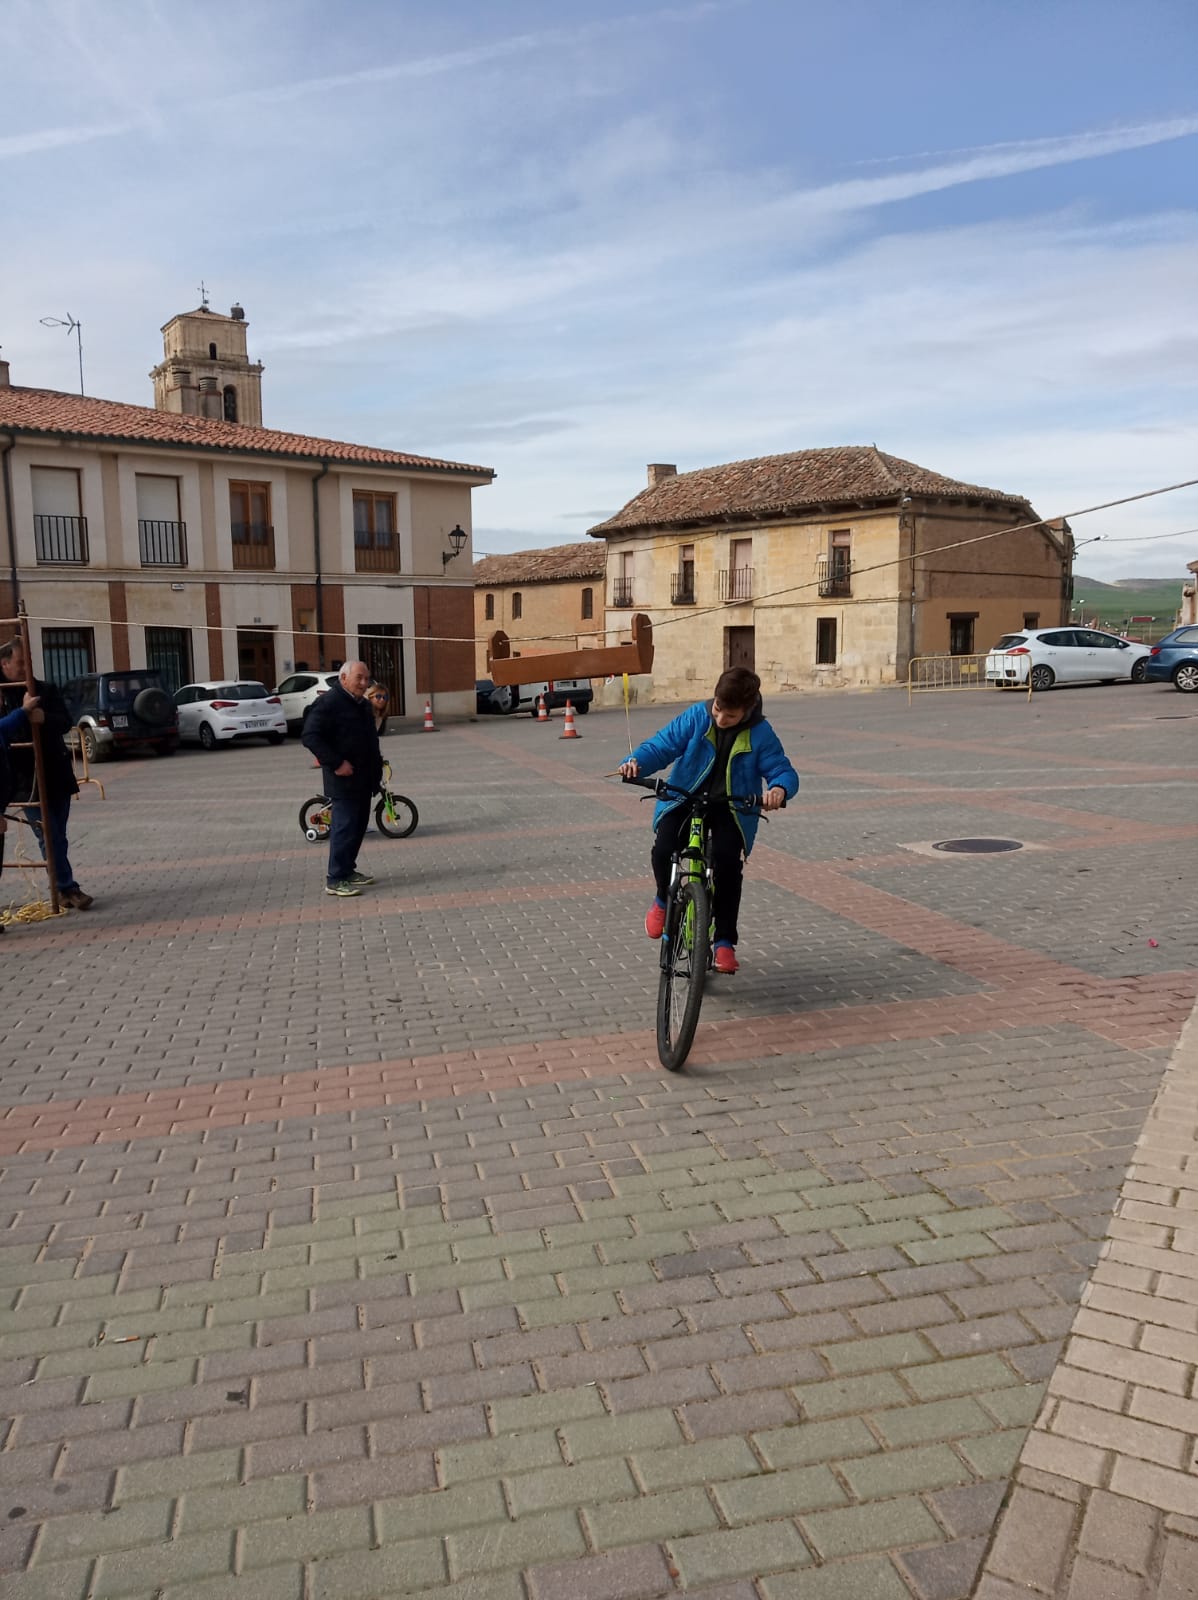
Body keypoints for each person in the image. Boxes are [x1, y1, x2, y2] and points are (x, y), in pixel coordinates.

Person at [619, 666, 798, 975]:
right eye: (717, 709)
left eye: (729, 716)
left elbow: (782, 770)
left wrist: (779, 789)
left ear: (748, 709)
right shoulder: (696, 716)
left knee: (729, 864)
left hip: (731, 807)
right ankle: (663, 899)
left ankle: (725, 942)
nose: (720, 719)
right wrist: (635, 763)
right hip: (684, 797)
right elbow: (662, 746)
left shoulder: (761, 734)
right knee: (664, 847)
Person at [0, 639, 92, 909]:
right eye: (20, 663)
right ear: (4, 664)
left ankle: (62, 888)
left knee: (58, 835)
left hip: (56, 772)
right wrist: (23, 715)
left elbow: (65, 721)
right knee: (48, 834)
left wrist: (44, 718)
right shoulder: (3, 693)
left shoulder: (44, 689)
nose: (26, 667)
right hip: (25, 778)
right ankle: (67, 887)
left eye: (28, 660)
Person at [301, 659, 383, 897]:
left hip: (364, 778)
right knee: (344, 828)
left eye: (367, 678)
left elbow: (370, 740)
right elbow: (310, 736)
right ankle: (335, 878)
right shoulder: (329, 703)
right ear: (343, 678)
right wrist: (336, 763)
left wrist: (377, 766)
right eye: (359, 678)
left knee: (357, 828)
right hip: (343, 780)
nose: (364, 683)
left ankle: (348, 870)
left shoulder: (362, 705)